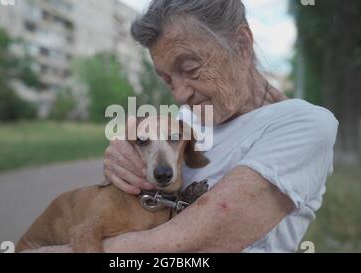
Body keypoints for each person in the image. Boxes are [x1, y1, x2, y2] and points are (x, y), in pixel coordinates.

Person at [101, 0, 338, 252]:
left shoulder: (303, 126)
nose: (180, 95)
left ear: (242, 44)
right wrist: (123, 160)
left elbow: (191, 244)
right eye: (168, 80)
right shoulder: (183, 120)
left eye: (190, 69)